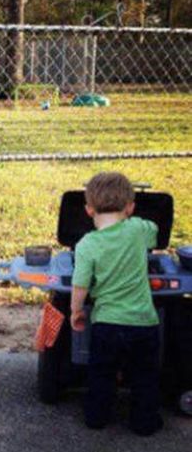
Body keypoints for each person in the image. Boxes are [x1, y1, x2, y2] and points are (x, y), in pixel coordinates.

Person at [71, 172, 162, 436]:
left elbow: (81, 285)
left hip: (107, 325)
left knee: (101, 375)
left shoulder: (87, 244)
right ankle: (144, 423)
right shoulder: (137, 229)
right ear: (130, 207)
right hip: (144, 323)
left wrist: (76, 311)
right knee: (145, 377)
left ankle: (96, 418)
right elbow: (154, 231)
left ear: (89, 210)